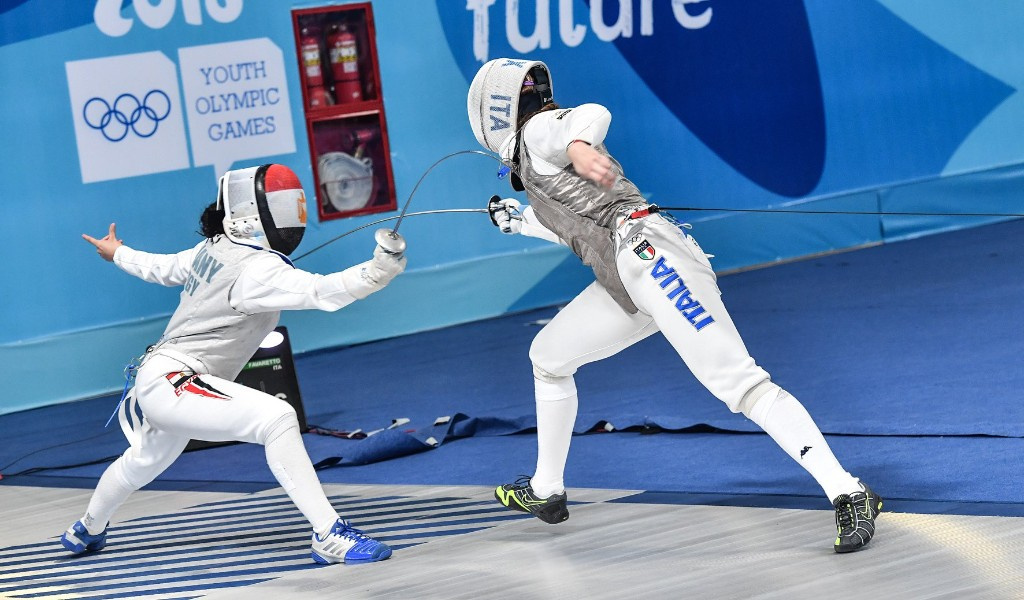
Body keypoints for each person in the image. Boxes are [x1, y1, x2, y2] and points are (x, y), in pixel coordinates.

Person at [467, 58, 882, 553]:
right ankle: (546, 490)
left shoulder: (539, 131)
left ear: (493, 115)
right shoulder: (539, 164)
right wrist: (518, 222)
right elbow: (574, 224)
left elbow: (591, 115)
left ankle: (848, 491)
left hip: (653, 259)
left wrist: (578, 145)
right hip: (626, 276)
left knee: (739, 383)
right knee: (548, 358)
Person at [65, 164, 405, 565]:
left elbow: (161, 267)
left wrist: (117, 253)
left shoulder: (213, 248)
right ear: (256, 213)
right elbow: (321, 291)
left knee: (144, 460)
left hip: (163, 378)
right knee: (277, 417)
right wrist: (379, 271)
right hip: (176, 380)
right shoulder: (257, 268)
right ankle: (329, 534)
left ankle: (86, 529)